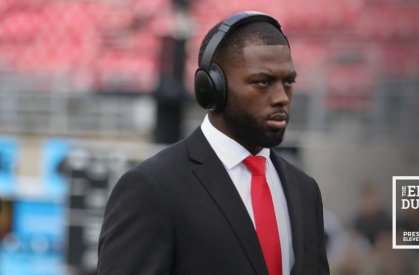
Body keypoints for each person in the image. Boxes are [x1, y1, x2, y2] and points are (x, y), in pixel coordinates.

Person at [97, 11, 329, 275]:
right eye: (262, 82)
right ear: (212, 87)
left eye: (288, 82)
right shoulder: (152, 187)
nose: (281, 98)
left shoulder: (305, 190)